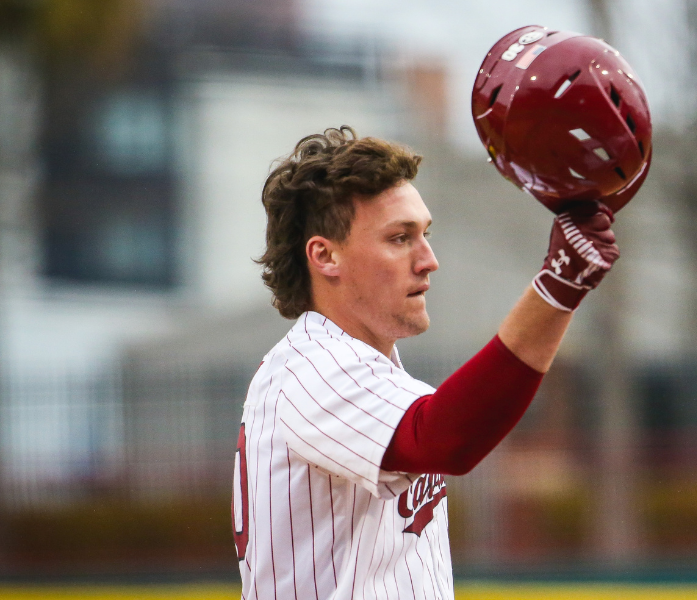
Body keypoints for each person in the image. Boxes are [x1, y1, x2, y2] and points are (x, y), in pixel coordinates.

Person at [232, 126, 618, 600]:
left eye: (425, 234)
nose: (428, 259)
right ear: (325, 255)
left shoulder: (363, 368)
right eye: (399, 238)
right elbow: (443, 439)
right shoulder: (310, 369)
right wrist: (556, 288)